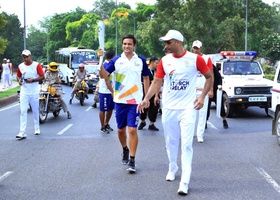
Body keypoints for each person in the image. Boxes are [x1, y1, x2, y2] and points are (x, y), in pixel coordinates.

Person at [137, 30, 212, 195]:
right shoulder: (164, 60)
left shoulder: (195, 59)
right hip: (169, 107)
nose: (166, 45)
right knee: (171, 142)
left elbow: (209, 77)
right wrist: (147, 98)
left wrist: (202, 97)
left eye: (168, 42)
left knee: (186, 144)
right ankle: (172, 167)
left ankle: (185, 181)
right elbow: (157, 81)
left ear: (178, 42)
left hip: (187, 108)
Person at [99, 34, 150, 172]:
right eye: (124, 44)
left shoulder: (140, 60)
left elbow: (146, 77)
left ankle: (132, 160)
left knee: (132, 129)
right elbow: (103, 75)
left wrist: (146, 98)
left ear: (134, 45)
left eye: (129, 44)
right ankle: (125, 149)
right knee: (121, 130)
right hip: (120, 100)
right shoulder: (116, 60)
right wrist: (100, 60)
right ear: (122, 45)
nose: (127, 46)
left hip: (135, 101)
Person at [16, 49, 45, 139]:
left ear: (30, 56)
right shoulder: (20, 66)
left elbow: (42, 77)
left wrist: (32, 80)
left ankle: (36, 127)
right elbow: (18, 76)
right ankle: (22, 132)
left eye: (27, 56)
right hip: (24, 91)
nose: (25, 58)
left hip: (34, 91)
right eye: (24, 57)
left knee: (35, 110)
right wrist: (19, 81)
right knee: (23, 111)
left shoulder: (36, 65)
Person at [192, 40, 214, 143]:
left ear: (201, 48)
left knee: (202, 114)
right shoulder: (190, 58)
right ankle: (190, 133)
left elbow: (211, 75)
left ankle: (200, 135)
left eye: (197, 48)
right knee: (191, 114)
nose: (195, 50)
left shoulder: (206, 59)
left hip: (203, 90)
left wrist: (211, 89)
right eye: (194, 48)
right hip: (191, 91)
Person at [138, 57, 160, 131]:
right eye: (156, 63)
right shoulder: (145, 71)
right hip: (145, 92)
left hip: (155, 92)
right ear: (151, 62)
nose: (158, 64)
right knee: (144, 107)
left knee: (154, 107)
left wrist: (156, 95)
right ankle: (142, 121)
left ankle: (152, 123)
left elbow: (158, 83)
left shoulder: (158, 71)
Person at [206, 64, 229, 129]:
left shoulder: (211, 66)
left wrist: (219, 85)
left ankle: (224, 120)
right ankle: (204, 122)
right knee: (206, 106)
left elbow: (219, 77)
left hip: (216, 88)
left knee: (220, 105)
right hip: (206, 88)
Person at [98, 50, 115, 133]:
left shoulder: (113, 64)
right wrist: (99, 58)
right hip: (104, 91)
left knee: (110, 109)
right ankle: (102, 126)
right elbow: (101, 76)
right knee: (103, 109)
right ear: (113, 57)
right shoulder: (103, 64)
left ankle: (106, 123)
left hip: (112, 91)